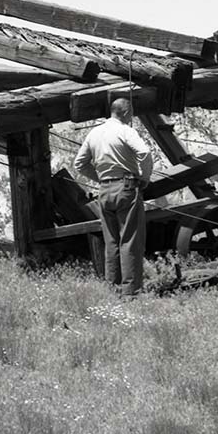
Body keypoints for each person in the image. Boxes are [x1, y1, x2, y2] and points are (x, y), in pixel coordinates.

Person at [73, 97, 154, 296]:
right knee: (130, 240)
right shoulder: (125, 131)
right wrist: (144, 178)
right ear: (126, 112)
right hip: (126, 188)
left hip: (104, 191)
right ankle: (131, 291)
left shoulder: (94, 133)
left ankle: (113, 289)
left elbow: (79, 164)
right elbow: (144, 153)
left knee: (111, 242)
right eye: (131, 113)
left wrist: (101, 178)